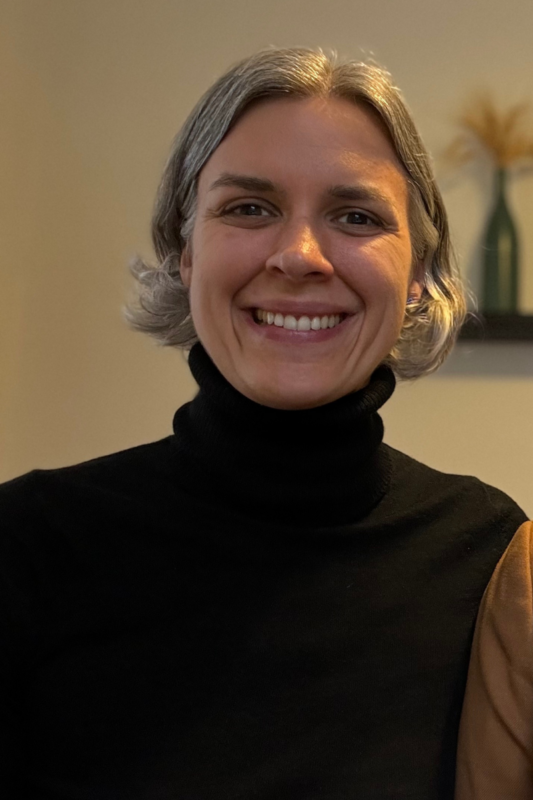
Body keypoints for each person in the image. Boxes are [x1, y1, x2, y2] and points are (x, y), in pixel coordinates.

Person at [0, 46, 528, 800]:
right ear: (185, 251)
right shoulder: (26, 548)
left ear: (416, 274)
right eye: (249, 207)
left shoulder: (490, 564)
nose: (299, 255)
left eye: (355, 215)